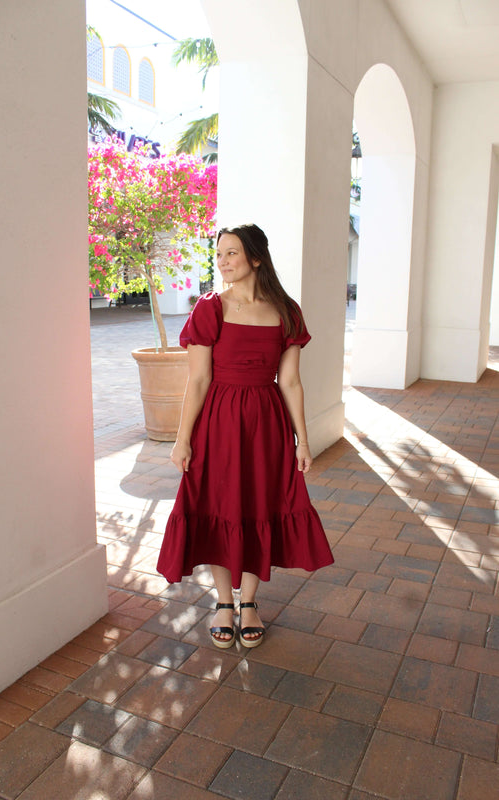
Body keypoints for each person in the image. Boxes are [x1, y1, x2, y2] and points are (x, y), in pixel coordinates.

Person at [157, 223, 334, 649]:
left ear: (256, 258)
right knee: (218, 505)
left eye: (232, 253)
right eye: (219, 254)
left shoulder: (287, 312)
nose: (223, 261)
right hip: (218, 423)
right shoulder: (210, 309)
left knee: (259, 505)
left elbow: (290, 382)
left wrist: (303, 441)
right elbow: (197, 381)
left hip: (266, 424)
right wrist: (183, 439)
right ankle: (222, 602)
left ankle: (249, 601)